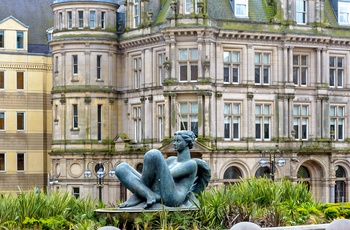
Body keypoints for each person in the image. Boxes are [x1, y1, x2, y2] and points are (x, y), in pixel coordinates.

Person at [115, 130, 209, 209]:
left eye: (178, 141)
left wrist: (154, 167)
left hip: (173, 197)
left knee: (153, 154)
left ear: (187, 143)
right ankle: (148, 194)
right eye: (174, 141)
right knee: (121, 168)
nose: (174, 144)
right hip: (159, 190)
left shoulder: (191, 164)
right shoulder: (171, 160)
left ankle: (139, 196)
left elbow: (166, 176)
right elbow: (159, 177)